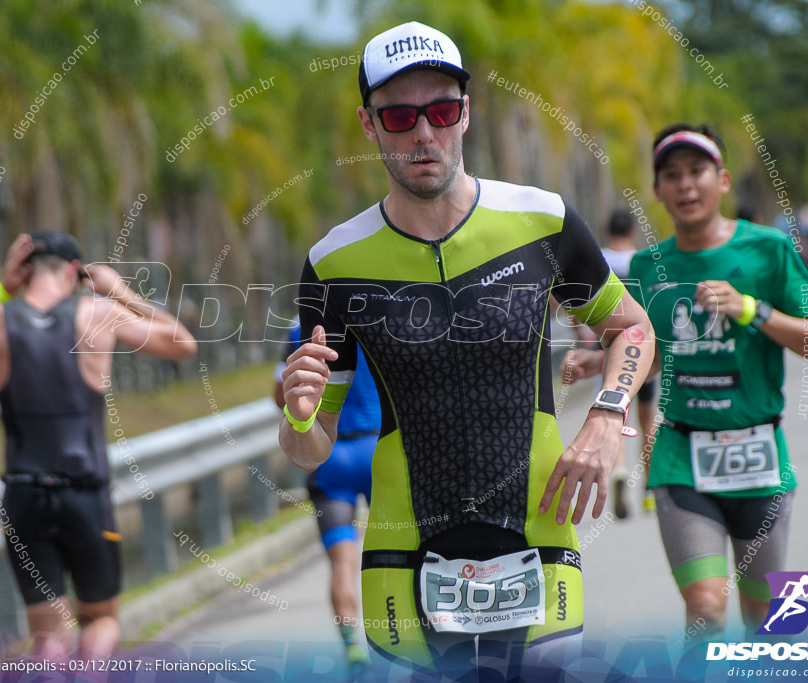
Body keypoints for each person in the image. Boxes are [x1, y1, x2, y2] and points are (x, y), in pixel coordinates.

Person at [277, 21, 654, 680]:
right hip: (404, 549)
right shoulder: (334, 262)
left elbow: (634, 328)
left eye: (441, 110)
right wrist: (299, 414)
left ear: (466, 114)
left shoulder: (543, 220)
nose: (424, 133)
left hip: (538, 529)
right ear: (370, 127)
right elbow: (312, 444)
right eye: (399, 116)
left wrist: (606, 415)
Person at [564, 124, 808, 637]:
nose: (686, 185)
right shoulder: (650, 266)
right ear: (658, 190)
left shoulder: (769, 250)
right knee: (707, 611)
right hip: (681, 459)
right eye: (672, 175)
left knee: (769, 622)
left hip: (760, 458)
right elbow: (643, 349)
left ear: (723, 179)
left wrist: (751, 309)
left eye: (697, 172)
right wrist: (596, 358)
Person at [0, 232, 197, 659]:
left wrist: (0, 289)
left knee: (50, 637)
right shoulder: (99, 314)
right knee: (99, 620)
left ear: (25, 272)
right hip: (85, 494)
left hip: (23, 494)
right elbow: (183, 343)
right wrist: (120, 290)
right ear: (75, 272)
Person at [272, 318, 379, 677]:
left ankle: (353, 647)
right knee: (398, 551)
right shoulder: (381, 311)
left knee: (342, 562)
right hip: (378, 450)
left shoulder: (295, 328)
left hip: (329, 457)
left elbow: (281, 395)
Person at [601, 209, 658, 519]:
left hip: (610, 349)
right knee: (647, 419)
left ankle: (620, 471)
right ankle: (649, 489)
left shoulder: (598, 259)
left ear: (608, 230)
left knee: (617, 415)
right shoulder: (643, 260)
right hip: (642, 349)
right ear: (633, 232)